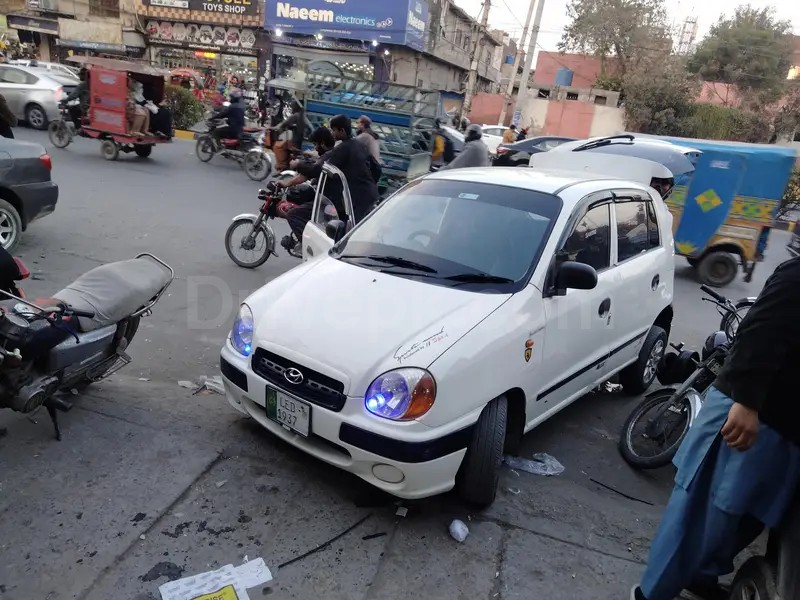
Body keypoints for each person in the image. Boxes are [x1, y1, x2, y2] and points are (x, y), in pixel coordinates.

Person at [631, 256, 800, 600]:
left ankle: (699, 578)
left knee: (743, 518)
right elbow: (759, 333)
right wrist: (747, 402)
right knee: (697, 514)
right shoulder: (797, 277)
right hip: (749, 416)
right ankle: (651, 595)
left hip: (785, 431)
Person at [279, 114, 379, 252]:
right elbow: (377, 169)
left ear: (342, 131)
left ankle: (313, 249)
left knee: (350, 235)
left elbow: (318, 169)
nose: (332, 133)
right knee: (350, 230)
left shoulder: (343, 148)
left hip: (356, 198)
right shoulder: (359, 145)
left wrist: (297, 165)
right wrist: (367, 183)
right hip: (369, 194)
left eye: (334, 130)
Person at [277, 126, 337, 251]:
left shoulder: (329, 156)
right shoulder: (331, 153)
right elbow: (306, 175)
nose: (315, 148)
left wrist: (297, 164)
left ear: (322, 143)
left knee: (293, 214)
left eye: (316, 144)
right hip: (327, 198)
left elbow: (312, 171)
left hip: (327, 201)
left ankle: (306, 246)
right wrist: (287, 183)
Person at [272, 100, 305, 171]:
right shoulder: (302, 115)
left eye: (293, 106)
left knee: (277, 147)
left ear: (296, 107)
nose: (291, 108)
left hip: (295, 143)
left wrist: (276, 128)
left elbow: (284, 123)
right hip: (299, 140)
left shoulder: (296, 115)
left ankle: (281, 166)